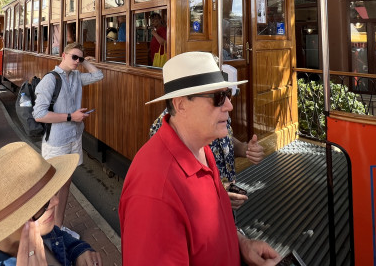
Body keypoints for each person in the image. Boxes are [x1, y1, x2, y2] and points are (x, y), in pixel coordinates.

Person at [119, 51, 280, 265]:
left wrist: (240, 243)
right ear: (181, 105)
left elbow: (206, 232)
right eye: (218, 97)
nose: (229, 106)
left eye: (228, 95)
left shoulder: (202, 150)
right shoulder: (154, 191)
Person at [0, 142, 103, 266]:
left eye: (52, 194)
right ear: (9, 221)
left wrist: (80, 251)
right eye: (43, 203)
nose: (56, 201)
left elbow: (64, 239)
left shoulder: (39, 230)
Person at [33, 42, 103, 239]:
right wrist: (71, 117)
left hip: (74, 137)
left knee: (65, 185)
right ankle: (43, 231)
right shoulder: (50, 80)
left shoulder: (77, 76)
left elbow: (98, 75)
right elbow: (39, 114)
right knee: (52, 188)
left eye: (79, 59)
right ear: (62, 55)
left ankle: (58, 227)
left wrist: (86, 62)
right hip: (57, 141)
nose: (77, 62)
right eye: (74, 57)